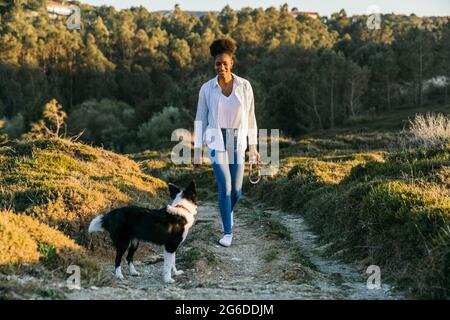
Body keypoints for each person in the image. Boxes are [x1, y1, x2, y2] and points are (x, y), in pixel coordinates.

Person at [193, 38, 259, 247]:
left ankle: (225, 213)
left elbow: (251, 118)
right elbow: (200, 120)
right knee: (226, 187)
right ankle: (227, 233)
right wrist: (196, 150)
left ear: (231, 63)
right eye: (217, 64)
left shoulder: (245, 86)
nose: (220, 67)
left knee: (237, 191)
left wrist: (254, 147)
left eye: (224, 63)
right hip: (216, 139)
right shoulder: (207, 89)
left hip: (238, 140)